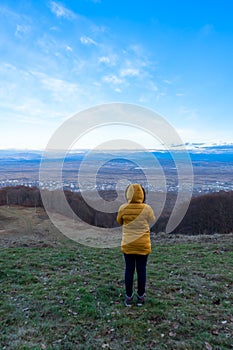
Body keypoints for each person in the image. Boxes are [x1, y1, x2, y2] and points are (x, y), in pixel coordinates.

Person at [117, 183, 155, 307]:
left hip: (128, 245)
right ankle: (140, 298)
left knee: (129, 270)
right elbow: (152, 220)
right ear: (142, 195)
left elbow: (119, 221)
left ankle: (128, 298)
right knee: (141, 270)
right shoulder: (147, 209)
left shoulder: (123, 208)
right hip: (143, 245)